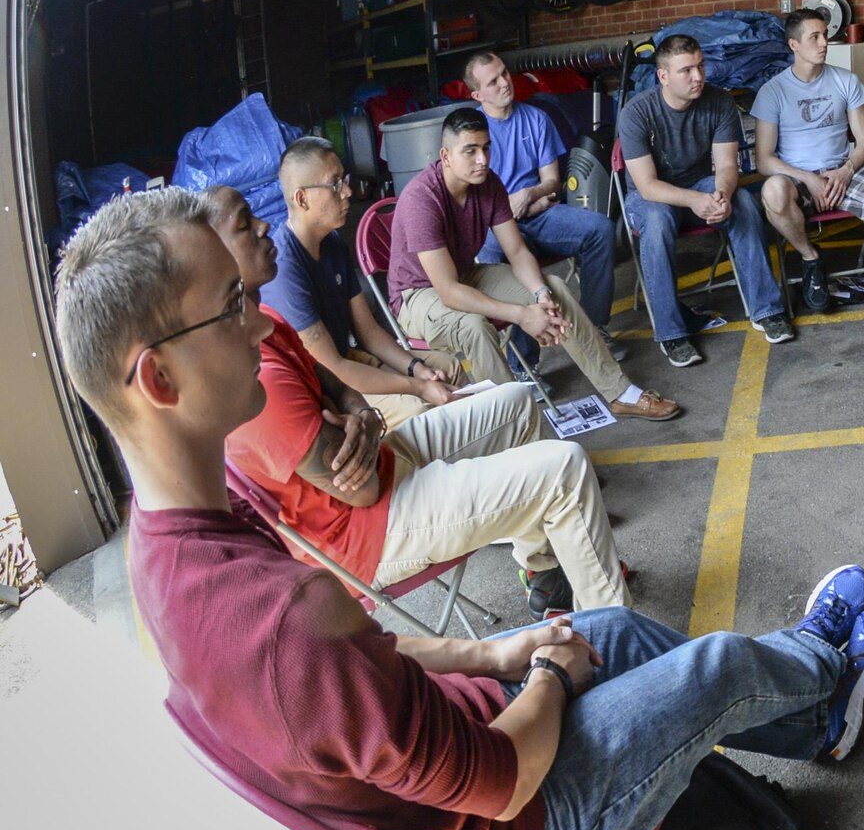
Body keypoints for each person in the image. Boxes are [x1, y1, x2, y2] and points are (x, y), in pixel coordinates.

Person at [53, 188, 864, 830]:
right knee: (713, 665)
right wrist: (550, 677)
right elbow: (502, 782)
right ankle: (820, 663)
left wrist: (494, 653)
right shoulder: (284, 618)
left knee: (616, 629)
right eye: (232, 305)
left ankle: (817, 719)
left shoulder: (174, 540)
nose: (262, 323)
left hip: (471, 741)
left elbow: (368, 660)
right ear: (157, 376)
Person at [202, 185, 627, 616]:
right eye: (243, 225)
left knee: (515, 400)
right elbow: (363, 491)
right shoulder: (252, 378)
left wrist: (361, 414)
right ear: (209, 257)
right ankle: (620, 644)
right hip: (366, 536)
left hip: (384, 467)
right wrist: (360, 415)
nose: (263, 225)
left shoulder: (265, 320)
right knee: (566, 468)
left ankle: (547, 578)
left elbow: (333, 380)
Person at [386, 107, 681, 421]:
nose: (482, 160)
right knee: (474, 326)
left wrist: (539, 295)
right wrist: (522, 315)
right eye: (469, 151)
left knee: (553, 286)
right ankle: (517, 425)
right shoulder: (422, 199)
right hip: (419, 295)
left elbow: (516, 251)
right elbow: (448, 292)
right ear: (445, 157)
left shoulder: (488, 184)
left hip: (464, 274)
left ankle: (619, 392)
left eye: (486, 148)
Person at [752, 7, 864, 339]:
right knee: (773, 191)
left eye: (825, 35)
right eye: (815, 37)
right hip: (797, 178)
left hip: (842, 170)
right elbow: (764, 160)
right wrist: (808, 177)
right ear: (794, 45)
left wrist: (846, 170)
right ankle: (811, 258)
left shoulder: (845, 80)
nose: (824, 42)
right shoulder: (773, 91)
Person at [619, 35, 794, 367]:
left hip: (699, 187)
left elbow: (728, 166)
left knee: (742, 201)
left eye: (700, 66)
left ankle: (766, 310)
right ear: (663, 76)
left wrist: (722, 195)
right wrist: (697, 200)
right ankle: (671, 333)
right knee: (657, 221)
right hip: (653, 198)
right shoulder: (637, 112)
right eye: (686, 70)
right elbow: (647, 187)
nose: (698, 76)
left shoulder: (718, 102)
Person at [264, 136, 461, 429]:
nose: (347, 192)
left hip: (350, 358)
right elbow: (334, 368)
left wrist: (417, 369)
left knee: (448, 369)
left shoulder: (332, 242)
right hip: (326, 385)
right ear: (302, 198)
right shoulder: (285, 268)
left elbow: (368, 333)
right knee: (417, 410)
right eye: (334, 185)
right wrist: (418, 387)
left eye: (344, 180)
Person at [462, 52, 624, 358]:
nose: (504, 83)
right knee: (516, 253)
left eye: (505, 73)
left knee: (600, 228)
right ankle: (524, 363)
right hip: (494, 223)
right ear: (477, 94)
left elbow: (552, 181)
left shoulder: (536, 118)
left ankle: (593, 331)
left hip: (538, 212)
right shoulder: (470, 133)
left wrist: (530, 196)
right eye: (493, 81)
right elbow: (467, 197)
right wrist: (510, 209)